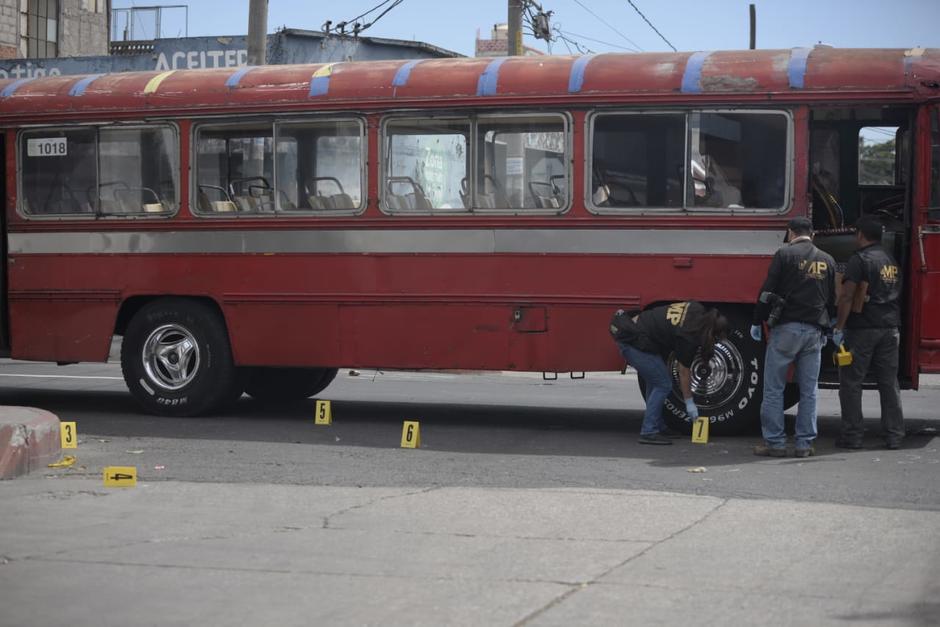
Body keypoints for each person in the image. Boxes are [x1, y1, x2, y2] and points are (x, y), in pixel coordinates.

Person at [750, 216, 836, 458]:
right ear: (813, 234)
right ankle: (804, 444)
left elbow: (767, 291)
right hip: (814, 333)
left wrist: (757, 321)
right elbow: (831, 300)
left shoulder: (784, 255)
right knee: (809, 391)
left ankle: (775, 443)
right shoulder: (827, 260)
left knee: (774, 389)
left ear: (790, 232)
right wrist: (830, 328)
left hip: (785, 331)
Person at [832, 215, 905, 449]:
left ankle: (852, 436)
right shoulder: (890, 260)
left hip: (863, 329)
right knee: (888, 383)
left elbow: (847, 296)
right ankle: (895, 435)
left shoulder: (860, 260)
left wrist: (839, 327)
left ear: (861, 235)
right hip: (890, 328)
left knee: (851, 382)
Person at [612, 301, 728, 445]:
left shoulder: (696, 308)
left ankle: (657, 425)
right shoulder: (689, 337)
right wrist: (690, 403)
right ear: (710, 332)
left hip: (636, 332)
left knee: (655, 381)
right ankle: (648, 431)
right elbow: (684, 372)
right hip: (633, 341)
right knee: (663, 384)